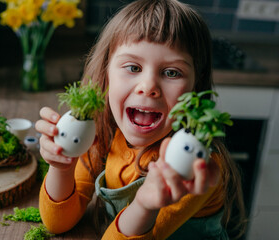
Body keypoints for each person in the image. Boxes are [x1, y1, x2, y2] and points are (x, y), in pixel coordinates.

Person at [35, 0, 246, 239]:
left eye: (172, 72)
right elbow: (57, 222)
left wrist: (145, 206)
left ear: (194, 89)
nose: (148, 87)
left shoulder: (193, 163)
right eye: (133, 67)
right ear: (106, 74)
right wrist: (61, 167)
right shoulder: (101, 133)